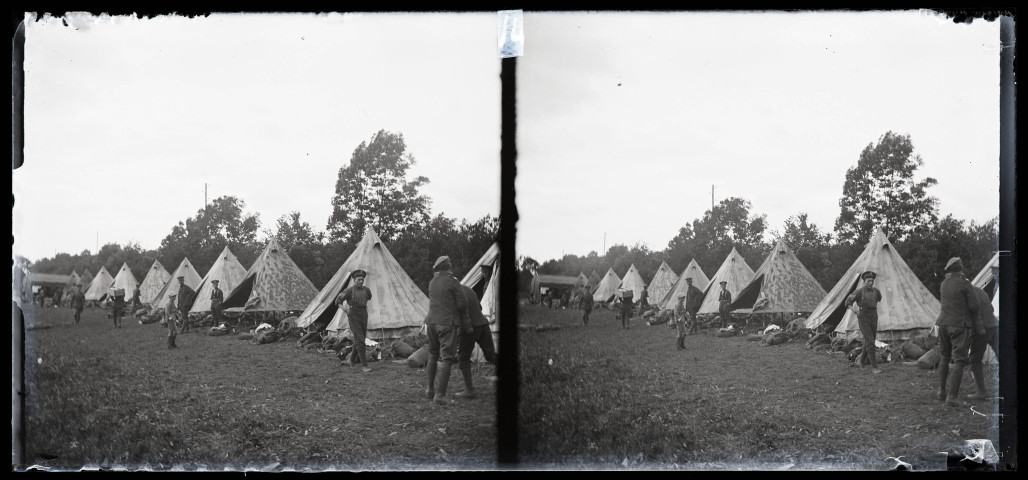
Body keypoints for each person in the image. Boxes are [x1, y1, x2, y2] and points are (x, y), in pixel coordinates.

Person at [935, 257, 980, 407]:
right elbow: (974, 306)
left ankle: (941, 392)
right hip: (959, 325)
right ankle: (952, 397)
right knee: (959, 360)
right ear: (960, 268)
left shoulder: (944, 283)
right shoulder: (965, 283)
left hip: (943, 324)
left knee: (944, 356)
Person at [424, 256, 469, 405]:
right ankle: (440, 395)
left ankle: (430, 390)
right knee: (447, 358)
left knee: (432, 354)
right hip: (447, 323)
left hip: (430, 322)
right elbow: (462, 304)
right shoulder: (453, 281)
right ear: (449, 266)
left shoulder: (432, 282)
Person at [455, 282, 496, 399]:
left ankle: (469, 390)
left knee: (463, 358)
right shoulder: (468, 289)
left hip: (469, 327)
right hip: (483, 324)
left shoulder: (452, 293)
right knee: (490, 355)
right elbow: (480, 307)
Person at [844, 271, 883, 374]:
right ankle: (874, 367)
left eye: (872, 281)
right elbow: (848, 302)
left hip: (874, 315)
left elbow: (878, 299)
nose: (871, 282)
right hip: (863, 316)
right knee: (870, 341)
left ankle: (861, 362)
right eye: (868, 281)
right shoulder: (859, 292)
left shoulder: (876, 291)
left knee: (870, 340)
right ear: (864, 282)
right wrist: (855, 310)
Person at [336, 270, 373, 373]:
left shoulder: (366, 290)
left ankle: (350, 360)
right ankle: (364, 366)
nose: (361, 281)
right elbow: (338, 301)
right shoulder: (349, 290)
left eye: (362, 279)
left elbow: (368, 298)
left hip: (364, 314)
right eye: (358, 280)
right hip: (353, 314)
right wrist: (346, 310)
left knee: (360, 339)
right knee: (360, 340)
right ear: (354, 280)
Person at [966, 285, 997, 400]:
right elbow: (992, 309)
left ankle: (981, 392)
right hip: (993, 325)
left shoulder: (966, 294)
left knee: (975, 358)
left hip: (981, 328)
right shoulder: (981, 291)